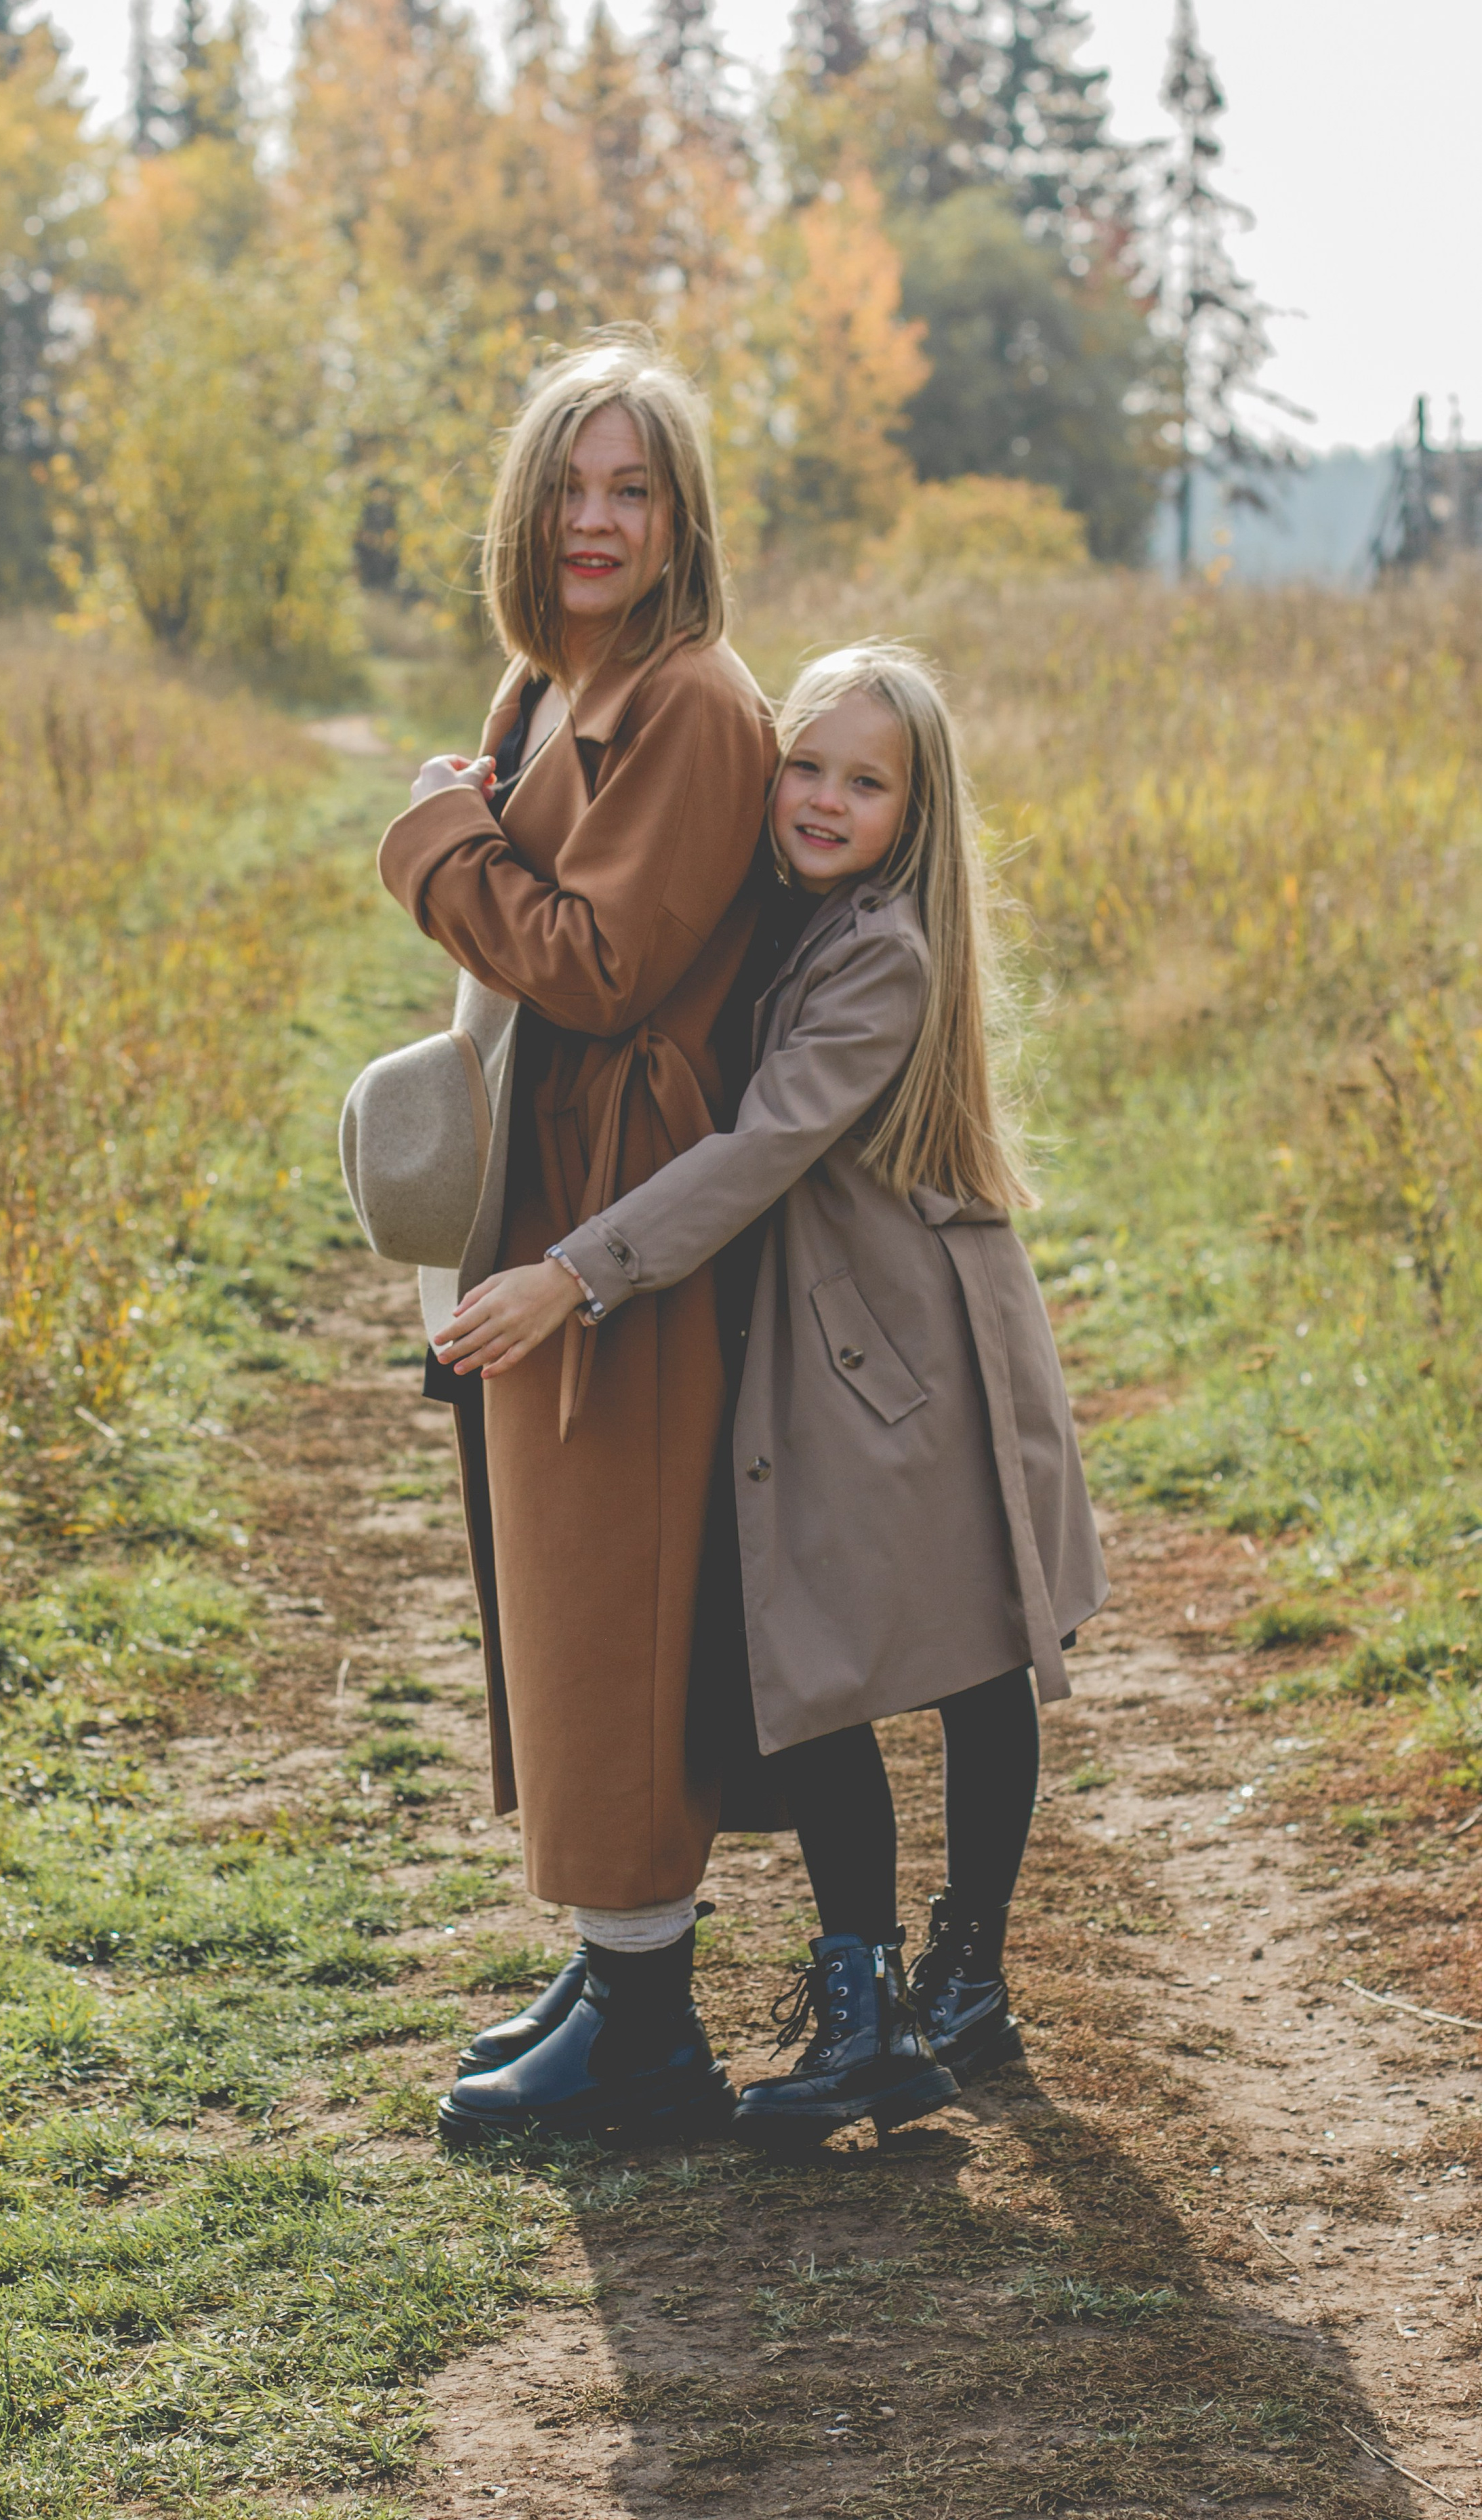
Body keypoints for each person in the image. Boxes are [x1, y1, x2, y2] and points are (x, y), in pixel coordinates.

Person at [438, 640, 1109, 2145]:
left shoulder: (882, 953)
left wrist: (574, 1270)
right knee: (815, 1663)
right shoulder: (783, 912)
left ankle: (957, 1975)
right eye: (801, 765)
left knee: (967, 1654)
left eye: (861, 782)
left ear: (911, 811)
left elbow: (755, 1151)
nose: (818, 799)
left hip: (911, 1344)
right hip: (827, 1341)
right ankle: (872, 1997)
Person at [376, 333, 777, 2148]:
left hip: (627, 1205)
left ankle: (649, 2030)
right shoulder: (551, 684)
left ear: (681, 516)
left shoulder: (693, 702)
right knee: (554, 1585)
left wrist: (438, 846)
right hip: (541, 1184)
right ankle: (614, 1968)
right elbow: (528, 918)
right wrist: (481, 810)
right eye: (570, 486)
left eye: (632, 490)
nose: (595, 520)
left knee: (619, 1590)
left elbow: (601, 962)